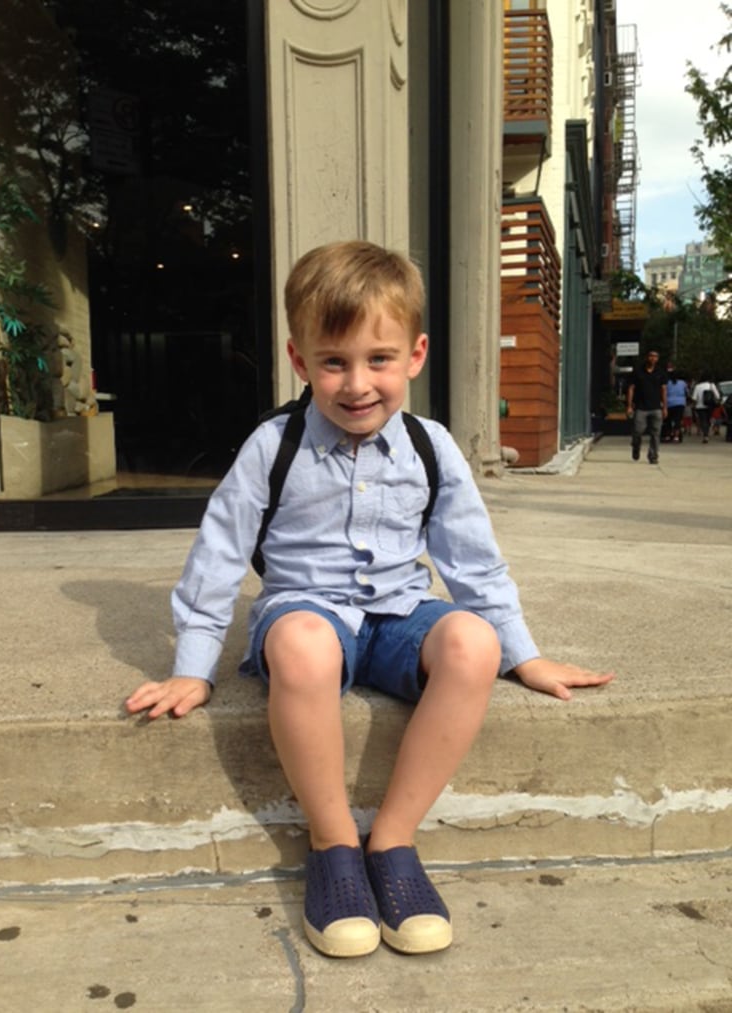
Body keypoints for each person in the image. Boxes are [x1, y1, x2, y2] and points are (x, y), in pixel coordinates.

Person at [125, 240, 614, 959]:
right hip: (307, 611)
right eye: (334, 361)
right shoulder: (272, 445)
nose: (358, 383)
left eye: (379, 359)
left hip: (398, 615)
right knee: (303, 643)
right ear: (300, 361)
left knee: (472, 642)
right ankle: (331, 845)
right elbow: (220, 552)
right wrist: (194, 666)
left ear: (415, 355)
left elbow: (471, 559)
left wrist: (524, 654)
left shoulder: (432, 446)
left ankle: (391, 841)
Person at [626, 349, 667, 464]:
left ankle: (653, 455)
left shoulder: (660, 373)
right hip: (641, 407)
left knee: (656, 433)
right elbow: (631, 388)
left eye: (655, 357)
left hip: (656, 407)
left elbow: (664, 390)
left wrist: (665, 407)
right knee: (637, 431)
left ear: (658, 359)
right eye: (651, 356)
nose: (653, 358)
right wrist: (629, 406)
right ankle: (636, 447)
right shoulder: (638, 371)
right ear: (646, 357)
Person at [691, 371, 722, 443]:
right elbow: (717, 396)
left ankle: (705, 434)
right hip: (709, 406)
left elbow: (694, 398)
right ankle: (706, 433)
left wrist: (693, 405)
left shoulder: (698, 386)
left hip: (700, 406)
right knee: (707, 420)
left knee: (703, 420)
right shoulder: (712, 385)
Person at [665, 372, 689, 443]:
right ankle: (676, 436)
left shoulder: (667, 383)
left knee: (668, 420)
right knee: (678, 420)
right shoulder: (683, 383)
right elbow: (686, 392)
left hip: (669, 403)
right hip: (680, 403)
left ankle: (668, 435)